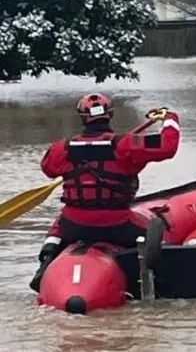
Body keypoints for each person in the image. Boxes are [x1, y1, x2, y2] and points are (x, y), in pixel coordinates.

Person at [30, 93, 180, 291]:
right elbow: (168, 146)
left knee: (59, 222)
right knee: (156, 232)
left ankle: (47, 259)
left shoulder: (61, 148)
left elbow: (48, 168)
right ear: (110, 114)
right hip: (118, 224)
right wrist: (170, 118)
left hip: (74, 226)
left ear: (82, 117)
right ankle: (159, 278)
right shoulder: (126, 145)